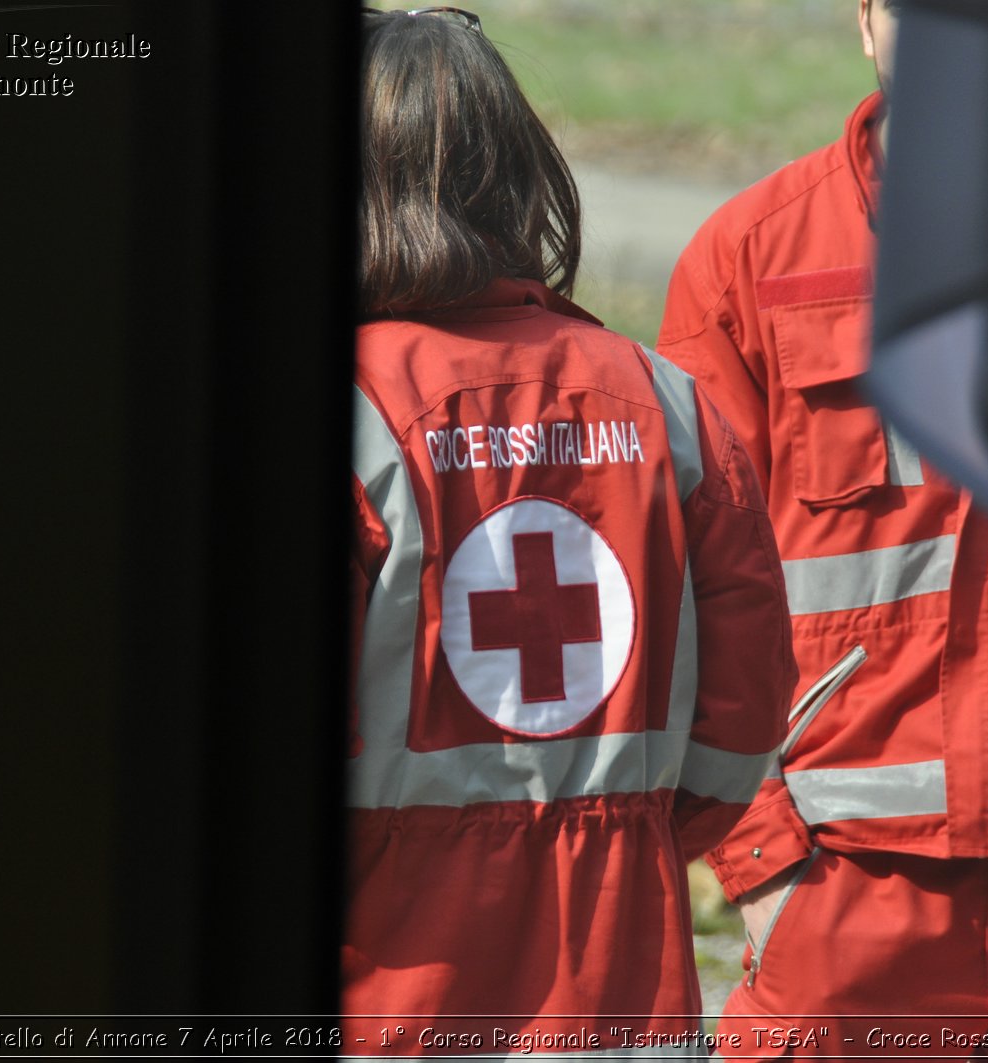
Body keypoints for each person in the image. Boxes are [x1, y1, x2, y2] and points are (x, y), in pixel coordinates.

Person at [346, 7, 797, 1054]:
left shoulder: (351, 407)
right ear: (515, 173)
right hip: (618, 995)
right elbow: (741, 728)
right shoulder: (670, 405)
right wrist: (612, 835)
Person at [657, 0, 988, 1055]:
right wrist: (766, 871)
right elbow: (681, 595)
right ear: (867, 21)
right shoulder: (750, 260)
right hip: (845, 899)